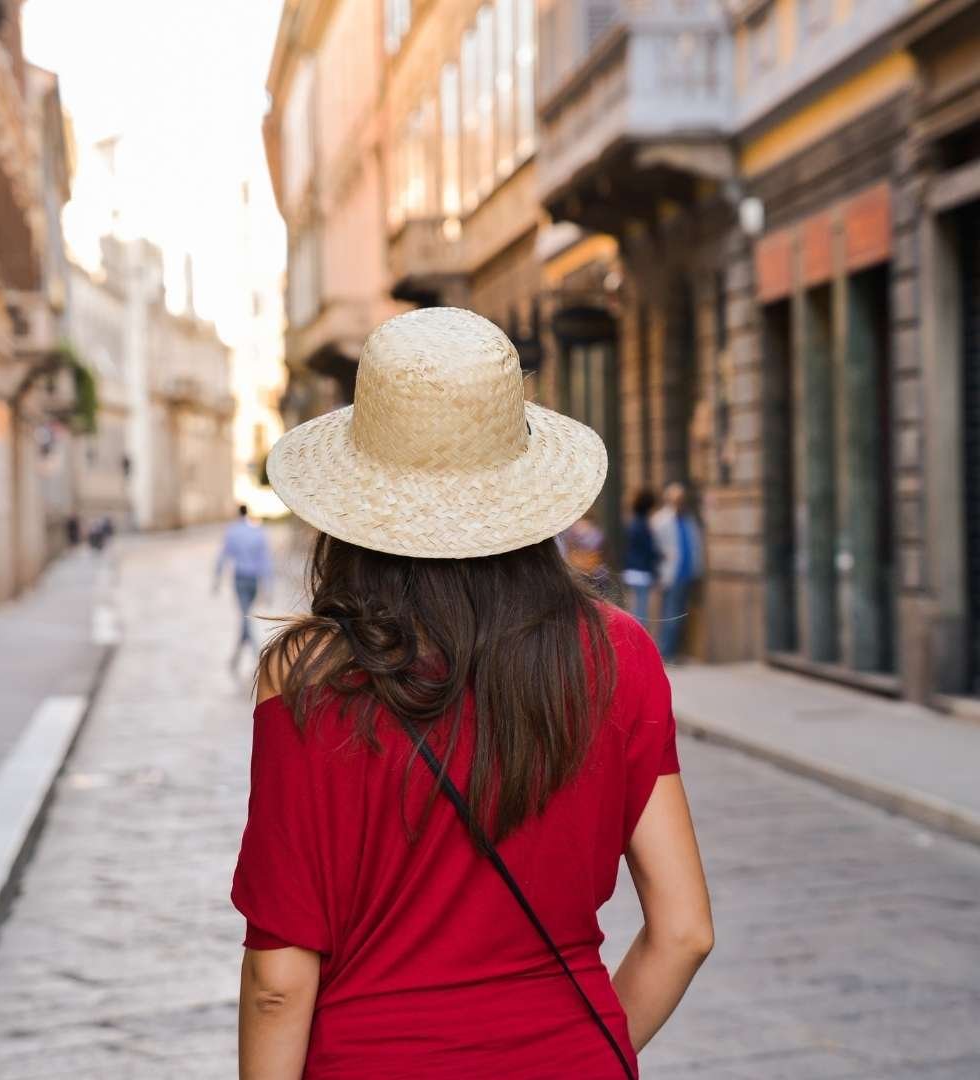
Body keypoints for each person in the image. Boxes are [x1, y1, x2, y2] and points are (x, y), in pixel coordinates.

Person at [232, 309, 712, 1080]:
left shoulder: (309, 674)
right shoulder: (619, 650)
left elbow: (278, 984)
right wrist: (590, 1051)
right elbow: (684, 930)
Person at [214, 505, 273, 671]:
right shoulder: (257, 532)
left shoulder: (232, 531)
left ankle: (255, 655)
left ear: (237, 513)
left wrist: (217, 580)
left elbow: (223, 556)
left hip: (239, 579)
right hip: (254, 580)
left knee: (245, 616)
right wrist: (268, 588)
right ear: (247, 513)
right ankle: (238, 657)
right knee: (245, 615)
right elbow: (266, 561)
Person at [651, 482, 704, 662]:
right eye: (676, 499)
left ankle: (673, 651)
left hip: (688, 574)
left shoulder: (688, 520)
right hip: (671, 575)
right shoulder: (661, 520)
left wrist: (698, 569)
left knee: (680, 615)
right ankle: (666, 653)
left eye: (682, 499)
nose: (680, 502)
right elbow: (654, 547)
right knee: (670, 616)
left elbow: (695, 545)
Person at [623, 489, 660, 627]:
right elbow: (648, 549)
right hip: (643, 571)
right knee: (642, 612)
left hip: (632, 570)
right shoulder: (643, 525)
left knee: (634, 609)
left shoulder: (633, 523)